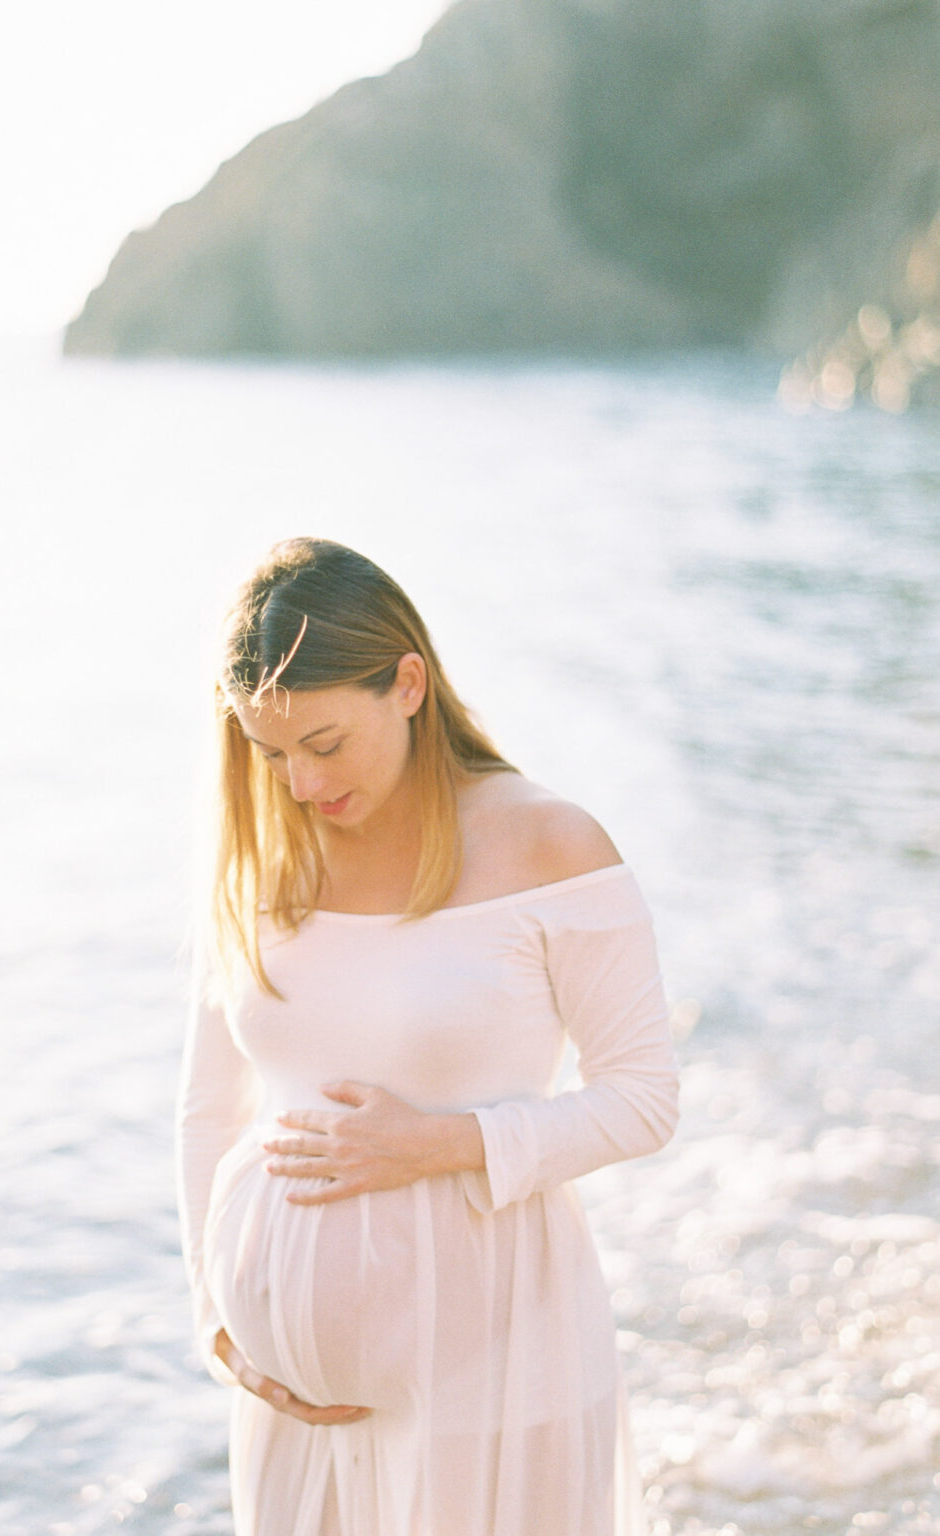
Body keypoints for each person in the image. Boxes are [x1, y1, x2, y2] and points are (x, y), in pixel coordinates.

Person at [176, 537, 679, 1536]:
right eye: (269, 752)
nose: (301, 785)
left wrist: (441, 1143)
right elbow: (206, 1107)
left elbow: (643, 1100)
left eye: (324, 743)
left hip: (499, 1355)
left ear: (408, 684)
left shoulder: (549, 844)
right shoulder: (260, 852)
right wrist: (219, 1323)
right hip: (291, 1403)